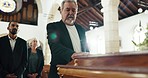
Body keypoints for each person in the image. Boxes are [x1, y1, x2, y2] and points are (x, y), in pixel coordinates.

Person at [46, 0, 89, 78]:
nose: (71, 13)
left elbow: (86, 49)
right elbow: (54, 46)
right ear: (61, 11)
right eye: (67, 9)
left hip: (79, 73)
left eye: (73, 10)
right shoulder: (53, 27)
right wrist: (72, 54)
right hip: (59, 73)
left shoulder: (81, 29)